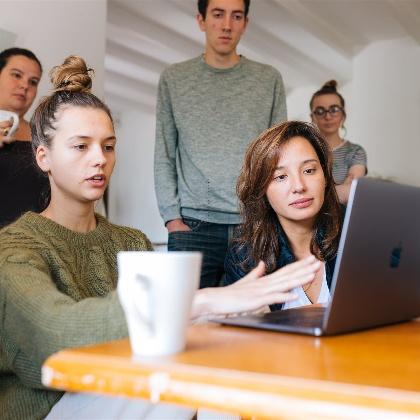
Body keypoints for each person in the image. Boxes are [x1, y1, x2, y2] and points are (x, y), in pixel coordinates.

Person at [0, 56, 319, 420]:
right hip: (50, 408)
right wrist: (197, 301)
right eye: (80, 146)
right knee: (178, 381)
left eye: (108, 146)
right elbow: (53, 335)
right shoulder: (13, 248)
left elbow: (159, 341)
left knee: (227, 352)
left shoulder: (131, 241)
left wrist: (235, 311)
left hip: (124, 386)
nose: (99, 159)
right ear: (43, 157)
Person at [154, 0, 287, 289]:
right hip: (191, 227)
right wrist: (171, 218)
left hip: (253, 225)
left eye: (236, 16)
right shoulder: (174, 79)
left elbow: (279, 156)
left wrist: (274, 216)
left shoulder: (269, 80)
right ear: (201, 20)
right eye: (218, 14)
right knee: (187, 323)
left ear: (245, 23)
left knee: (251, 323)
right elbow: (163, 152)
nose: (227, 25)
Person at [224, 121, 343, 311]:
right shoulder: (245, 256)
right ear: (261, 189)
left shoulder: (358, 234)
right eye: (280, 177)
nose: (298, 186)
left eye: (309, 170)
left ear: (325, 177)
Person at [0, 47, 49, 227]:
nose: (24, 85)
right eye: (16, 75)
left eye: (33, 81)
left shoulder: (44, 136)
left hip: (33, 244)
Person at [310, 80, 367, 204]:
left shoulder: (356, 151)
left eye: (334, 109)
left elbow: (349, 193)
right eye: (320, 111)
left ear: (343, 114)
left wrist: (311, 197)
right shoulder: (304, 151)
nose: (328, 116)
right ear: (312, 117)